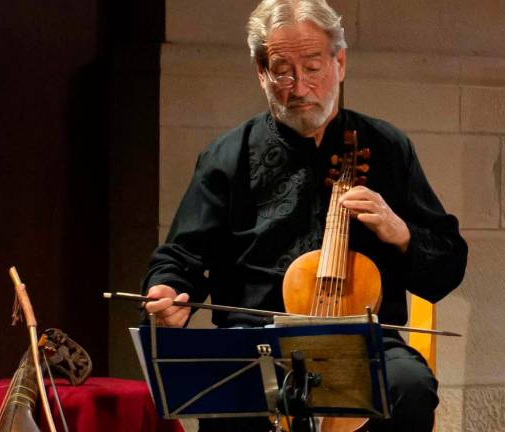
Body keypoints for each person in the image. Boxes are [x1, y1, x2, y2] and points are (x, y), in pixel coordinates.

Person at [142, 1, 468, 430]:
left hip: (362, 344)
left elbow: (447, 262)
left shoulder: (387, 147)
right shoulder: (227, 157)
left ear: (340, 63)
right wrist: (166, 293)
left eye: (313, 67)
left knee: (408, 388)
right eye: (282, 70)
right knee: (233, 398)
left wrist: (401, 232)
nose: (298, 87)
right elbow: (179, 258)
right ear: (261, 73)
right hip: (255, 344)